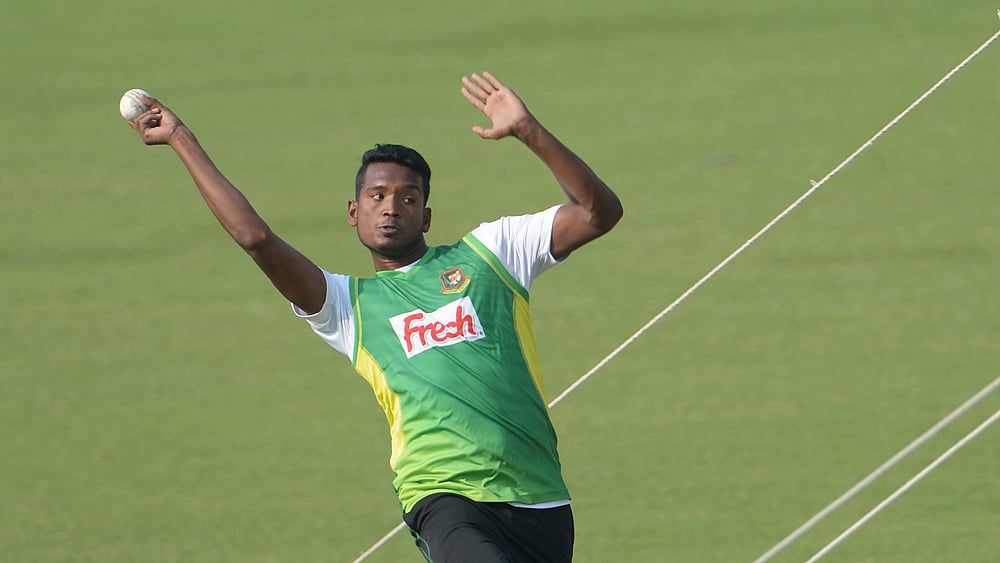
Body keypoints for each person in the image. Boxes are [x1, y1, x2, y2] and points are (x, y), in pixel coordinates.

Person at [126, 71, 622, 562]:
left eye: (408, 198)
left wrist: (528, 130)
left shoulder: (492, 254)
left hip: (542, 498)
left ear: (426, 216)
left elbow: (600, 213)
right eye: (377, 196)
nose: (391, 208)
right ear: (353, 211)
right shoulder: (346, 306)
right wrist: (180, 138)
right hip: (445, 498)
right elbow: (257, 239)